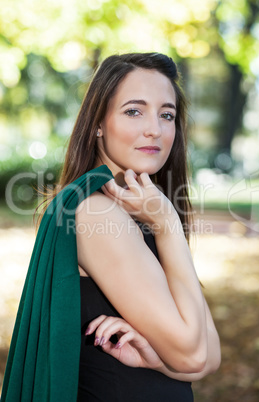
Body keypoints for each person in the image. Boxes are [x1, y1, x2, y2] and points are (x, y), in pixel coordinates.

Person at [2, 53, 221, 402]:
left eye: (167, 114)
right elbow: (194, 354)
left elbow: (208, 357)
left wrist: (156, 359)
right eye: (134, 111)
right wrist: (167, 226)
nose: (155, 128)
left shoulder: (133, 210)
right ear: (98, 123)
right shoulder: (97, 212)